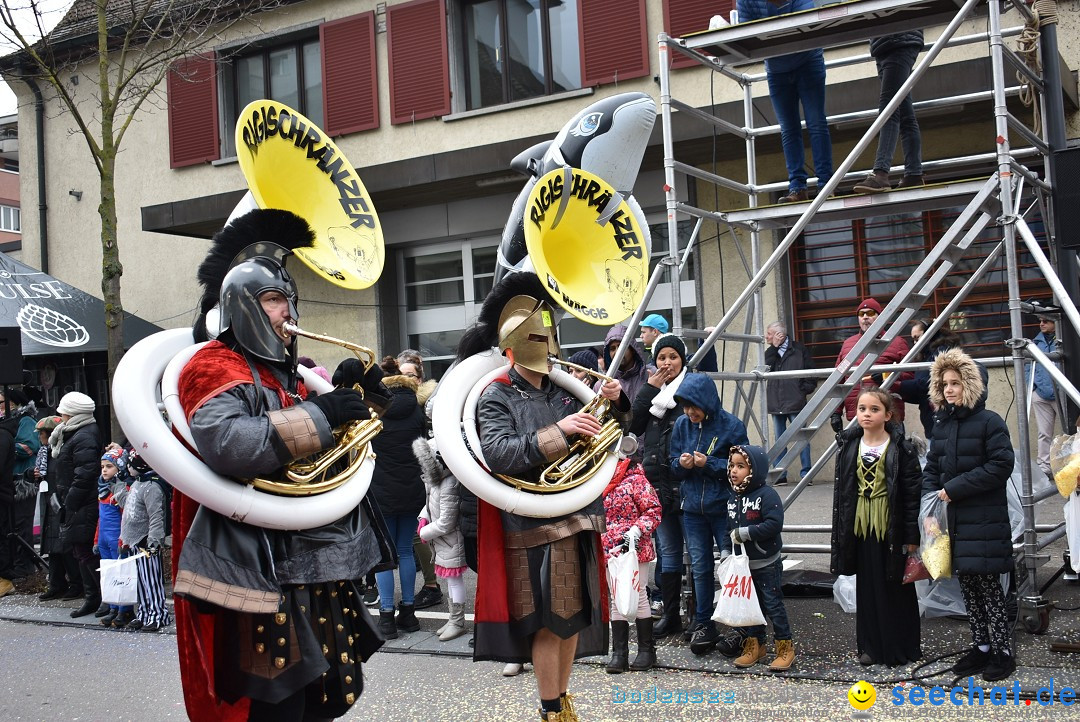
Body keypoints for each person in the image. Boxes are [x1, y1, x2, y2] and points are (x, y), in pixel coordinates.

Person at [172, 208, 389, 720]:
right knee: (277, 706)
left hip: (312, 562)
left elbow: (324, 449)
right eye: (273, 300)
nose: (287, 312)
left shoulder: (286, 376)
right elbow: (226, 443)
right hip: (258, 568)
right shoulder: (212, 364)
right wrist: (321, 412)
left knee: (323, 700)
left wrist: (365, 402)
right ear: (242, 305)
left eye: (288, 300)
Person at [472, 289, 627, 722]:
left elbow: (611, 437)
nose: (544, 347)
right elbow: (499, 453)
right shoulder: (496, 394)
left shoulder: (565, 390)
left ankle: (563, 701)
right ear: (513, 347)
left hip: (578, 514)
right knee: (547, 621)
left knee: (574, 616)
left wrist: (616, 403)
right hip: (531, 522)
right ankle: (550, 708)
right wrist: (560, 430)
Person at [923, 348, 1016, 681]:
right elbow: (932, 469)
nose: (949, 389)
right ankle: (981, 647)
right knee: (969, 588)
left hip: (984, 519)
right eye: (945, 383)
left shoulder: (990, 422)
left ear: (971, 385)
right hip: (954, 521)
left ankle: (1003, 652)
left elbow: (1001, 465)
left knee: (989, 588)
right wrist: (929, 509)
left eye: (956, 383)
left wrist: (956, 488)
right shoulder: (942, 425)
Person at [831, 388, 922, 667]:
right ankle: (869, 646)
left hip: (890, 523)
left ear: (888, 415)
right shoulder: (848, 445)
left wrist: (911, 536)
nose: (866, 414)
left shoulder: (901, 448)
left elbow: (911, 495)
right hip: (860, 524)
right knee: (868, 586)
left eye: (874, 409)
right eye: (861, 409)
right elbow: (843, 493)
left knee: (895, 586)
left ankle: (899, 647)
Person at [669, 373, 748, 655]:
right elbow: (672, 465)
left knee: (732, 567)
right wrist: (681, 463)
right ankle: (705, 623)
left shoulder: (731, 425)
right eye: (684, 405)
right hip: (692, 509)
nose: (689, 412)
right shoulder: (680, 424)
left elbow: (742, 468)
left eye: (693, 405)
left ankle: (741, 627)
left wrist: (708, 463)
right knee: (700, 569)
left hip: (723, 508)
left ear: (706, 402)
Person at [737, 0, 833, 203]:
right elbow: (746, 34)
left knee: (816, 122)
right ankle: (797, 187)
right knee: (788, 129)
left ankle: (826, 184)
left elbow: (803, 26)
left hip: (808, 61)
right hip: (776, 70)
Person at [629, 334, 692, 640]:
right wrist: (649, 388)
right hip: (658, 485)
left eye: (673, 357)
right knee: (667, 552)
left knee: (694, 552)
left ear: (683, 360)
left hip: (686, 483)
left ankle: (697, 616)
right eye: (662, 357)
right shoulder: (654, 394)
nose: (667, 363)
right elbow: (633, 424)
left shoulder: (692, 389)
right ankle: (670, 615)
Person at [369, 356, 427, 640]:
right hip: (412, 488)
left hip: (381, 490)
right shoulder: (417, 408)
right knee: (405, 549)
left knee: (384, 554)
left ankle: (386, 618)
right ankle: (409, 614)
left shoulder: (375, 409)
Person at [726, 444, 794, 671]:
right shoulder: (732, 497)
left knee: (773, 605)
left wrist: (746, 533)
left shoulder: (767, 495)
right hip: (745, 566)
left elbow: (774, 524)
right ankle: (755, 646)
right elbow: (729, 528)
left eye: (741, 466)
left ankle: (785, 647)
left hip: (766, 563)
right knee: (750, 608)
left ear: (754, 470)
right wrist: (727, 552)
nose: (734, 471)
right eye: (732, 465)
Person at [602, 453, 661, 674]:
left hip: (635, 548)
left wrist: (636, 531)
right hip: (610, 549)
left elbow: (653, 510)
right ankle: (620, 653)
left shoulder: (636, 480)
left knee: (640, 596)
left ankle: (646, 651)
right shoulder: (598, 482)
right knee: (616, 597)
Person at [396, 350, 444, 613]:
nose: (406, 380)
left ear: (420, 378)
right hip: (407, 472)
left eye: (411, 376)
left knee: (420, 534)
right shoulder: (403, 403)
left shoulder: (425, 404)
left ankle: (432, 585)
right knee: (417, 534)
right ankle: (431, 582)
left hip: (422, 472)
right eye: (401, 375)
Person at [51, 391, 103, 619]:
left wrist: (70, 502)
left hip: (82, 502)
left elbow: (85, 474)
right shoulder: (75, 433)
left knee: (85, 550)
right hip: (75, 501)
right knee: (79, 549)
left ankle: (99, 597)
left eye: (63, 412)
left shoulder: (84, 436)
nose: (60, 416)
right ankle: (93, 597)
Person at [853, 32, 925, 193]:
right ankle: (913, 173)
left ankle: (881, 174)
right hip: (886, 43)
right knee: (903, 111)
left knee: (889, 109)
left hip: (897, 41)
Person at [414, 437, 468, 642]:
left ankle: (458, 621)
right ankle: (453, 618)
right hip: (443, 542)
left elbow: (447, 521)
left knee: (454, 581)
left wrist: (424, 532)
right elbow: (430, 505)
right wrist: (423, 518)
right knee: (450, 581)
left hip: (450, 541)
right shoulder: (436, 482)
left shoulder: (449, 484)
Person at [834, 298, 912, 427]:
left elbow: (910, 376)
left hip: (889, 416)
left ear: (880, 317)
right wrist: (835, 413)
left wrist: (887, 377)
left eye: (870, 313)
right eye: (861, 314)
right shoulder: (848, 344)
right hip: (857, 417)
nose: (865, 317)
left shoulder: (897, 342)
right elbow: (838, 380)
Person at [118, 448, 171, 632]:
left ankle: (157, 614)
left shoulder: (152, 487)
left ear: (140, 466)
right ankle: (144, 612)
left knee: (151, 581)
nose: (127, 468)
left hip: (146, 542)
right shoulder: (137, 483)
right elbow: (129, 506)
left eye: (130, 465)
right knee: (140, 580)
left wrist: (154, 540)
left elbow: (156, 516)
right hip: (133, 540)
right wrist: (116, 486)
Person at [764, 322, 817, 486]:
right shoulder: (770, 351)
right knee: (780, 440)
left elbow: (811, 372)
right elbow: (765, 369)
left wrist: (803, 390)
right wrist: (774, 348)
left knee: (802, 438)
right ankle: (780, 475)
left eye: (769, 334)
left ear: (779, 335)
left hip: (795, 401)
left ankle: (806, 474)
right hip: (776, 402)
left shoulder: (799, 349)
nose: (766, 337)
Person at [0, 387, 40, 587]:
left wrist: (6, 447)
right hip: (10, 483)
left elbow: (28, 447)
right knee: (9, 528)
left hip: (23, 482)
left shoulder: (25, 421)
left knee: (22, 527)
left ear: (12, 403)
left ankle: (26, 569)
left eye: (0, 402)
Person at [35, 416, 78, 601]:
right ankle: (56, 584)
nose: (40, 437)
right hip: (49, 501)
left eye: (42, 433)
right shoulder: (44, 453)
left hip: (62, 502)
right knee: (53, 548)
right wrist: (33, 474)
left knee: (65, 547)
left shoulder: (61, 452)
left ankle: (76, 584)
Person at [897, 320, 963, 438]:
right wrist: (899, 391)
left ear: (929, 333)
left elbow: (928, 383)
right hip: (932, 424)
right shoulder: (926, 357)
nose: (915, 342)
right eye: (913, 339)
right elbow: (921, 394)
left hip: (943, 424)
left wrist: (898, 385)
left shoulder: (942, 353)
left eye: (917, 337)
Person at [95, 447, 134, 627]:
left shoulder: (121, 489)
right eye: (102, 466)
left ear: (119, 468)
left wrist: (123, 539)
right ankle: (112, 607)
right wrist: (96, 539)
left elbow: (126, 516)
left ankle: (124, 610)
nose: (104, 470)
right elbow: (100, 518)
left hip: (117, 538)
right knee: (109, 574)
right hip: (104, 537)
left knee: (121, 574)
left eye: (109, 466)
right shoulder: (103, 489)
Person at [1029, 312, 1061, 477]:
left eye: (1046, 321)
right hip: (1041, 395)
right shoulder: (1035, 342)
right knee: (1044, 433)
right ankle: (1044, 467)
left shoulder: (1065, 340)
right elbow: (1029, 365)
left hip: (1062, 395)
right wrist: (1033, 387)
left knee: (1072, 431)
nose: (1042, 324)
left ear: (1055, 322)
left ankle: (1072, 463)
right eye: (1040, 321)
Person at [599, 323, 652, 408]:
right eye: (612, 348)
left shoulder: (650, 375)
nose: (617, 352)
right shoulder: (602, 385)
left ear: (633, 349)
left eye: (621, 346)